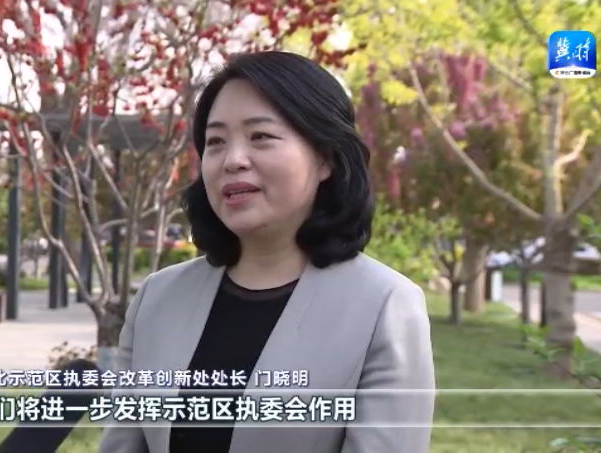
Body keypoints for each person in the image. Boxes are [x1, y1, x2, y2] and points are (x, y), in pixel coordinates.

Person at [98, 51, 435, 453]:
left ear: (325, 158)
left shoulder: (384, 305)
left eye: (260, 136)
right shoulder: (159, 297)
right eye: (216, 142)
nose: (233, 160)